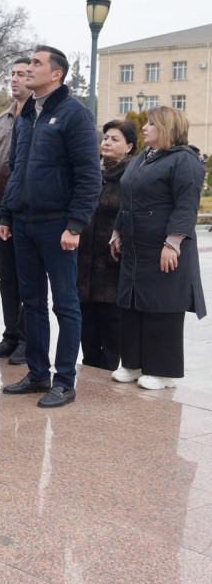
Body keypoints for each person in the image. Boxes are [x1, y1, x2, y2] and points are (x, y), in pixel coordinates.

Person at [0, 46, 101, 408]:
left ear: (56, 74)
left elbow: (89, 176)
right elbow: (17, 167)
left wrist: (75, 225)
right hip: (23, 223)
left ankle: (65, 380)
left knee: (65, 305)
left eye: (37, 64)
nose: (28, 69)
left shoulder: (75, 114)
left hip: (57, 225)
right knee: (33, 302)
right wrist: (7, 215)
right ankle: (38, 373)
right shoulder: (26, 113)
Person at [110, 107, 206, 389]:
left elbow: (186, 205)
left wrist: (172, 243)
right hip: (136, 248)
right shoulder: (141, 159)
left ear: (167, 128)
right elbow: (126, 199)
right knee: (132, 305)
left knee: (161, 309)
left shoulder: (184, 160)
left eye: (152, 123)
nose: (145, 127)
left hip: (163, 248)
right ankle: (133, 364)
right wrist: (117, 232)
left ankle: (163, 372)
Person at [0, 58, 32, 364]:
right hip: (0, 206)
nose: (14, 79)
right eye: (12, 73)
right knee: (6, 277)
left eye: (22, 74)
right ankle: (10, 335)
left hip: (25, 208)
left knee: (27, 277)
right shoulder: (3, 118)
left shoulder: (38, 116)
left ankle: (28, 338)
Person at [77, 119, 137, 371]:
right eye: (105, 138)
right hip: (84, 259)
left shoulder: (132, 176)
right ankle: (89, 369)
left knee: (111, 319)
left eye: (115, 139)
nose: (107, 143)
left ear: (129, 147)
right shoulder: (92, 172)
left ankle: (111, 368)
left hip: (112, 260)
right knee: (86, 318)